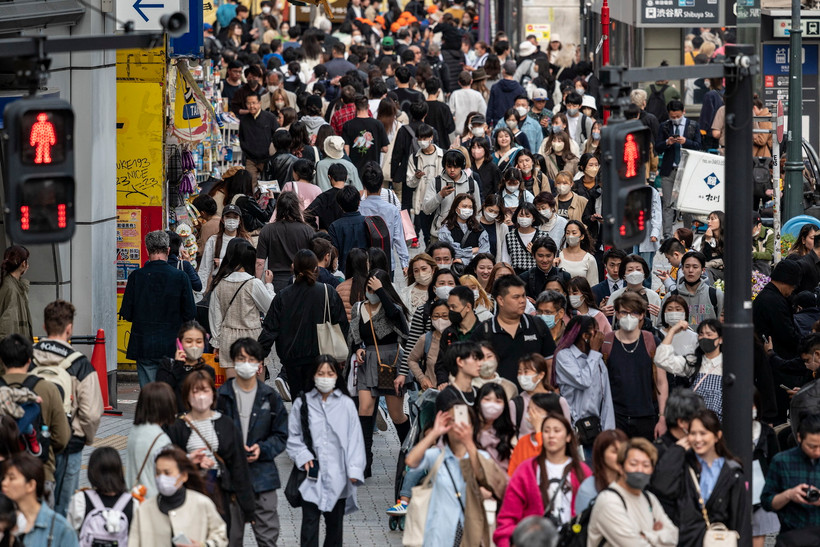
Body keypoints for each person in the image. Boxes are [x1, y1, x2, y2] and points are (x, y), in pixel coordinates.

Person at [405, 396, 508, 547]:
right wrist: (435, 432)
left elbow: (492, 482)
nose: (458, 426)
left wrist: (469, 442)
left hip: (472, 532)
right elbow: (411, 461)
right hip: (440, 533)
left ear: (473, 426)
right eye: (452, 420)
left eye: (464, 421)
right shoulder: (438, 456)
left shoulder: (481, 457)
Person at [33, 300, 103, 516]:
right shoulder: (80, 364)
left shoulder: (27, 358)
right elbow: (91, 412)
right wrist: (84, 437)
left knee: (34, 506)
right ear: (70, 328)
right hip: (69, 443)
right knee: (64, 508)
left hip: (32, 442)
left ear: (44, 327)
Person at [287, 356, 365, 547]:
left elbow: (355, 439)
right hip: (311, 476)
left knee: (335, 529)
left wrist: (355, 470)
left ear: (336, 376)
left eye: (330, 373)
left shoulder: (346, 404)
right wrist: (303, 457)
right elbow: (293, 436)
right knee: (309, 528)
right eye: (320, 373)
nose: (325, 378)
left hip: (338, 475)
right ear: (313, 376)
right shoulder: (302, 403)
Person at [217, 338, 287, 546]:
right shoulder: (222, 397)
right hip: (229, 479)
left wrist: (262, 449)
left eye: (251, 359)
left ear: (260, 365)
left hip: (263, 477)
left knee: (267, 539)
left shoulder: (270, 398)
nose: (246, 363)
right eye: (241, 359)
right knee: (230, 538)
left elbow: (281, 434)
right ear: (233, 362)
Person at [166, 370, 255, 532]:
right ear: (187, 396)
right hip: (188, 493)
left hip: (219, 492)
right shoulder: (177, 427)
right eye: (195, 391)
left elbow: (238, 466)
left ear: (213, 394)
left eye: (205, 390)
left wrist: (248, 507)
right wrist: (188, 460)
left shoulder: (225, 424)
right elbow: (166, 463)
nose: (201, 396)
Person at [259, 249, 348, 397]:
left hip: (292, 359)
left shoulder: (283, 296)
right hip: (321, 356)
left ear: (293, 268)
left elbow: (270, 328)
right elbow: (342, 324)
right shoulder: (327, 291)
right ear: (315, 268)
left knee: (299, 402)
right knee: (321, 401)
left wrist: (259, 356)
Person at [494, 412, 591, 547]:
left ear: (568, 436)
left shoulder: (582, 471)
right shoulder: (526, 470)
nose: (551, 435)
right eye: (546, 431)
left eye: (557, 431)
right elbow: (507, 517)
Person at [652, 409, 747, 545]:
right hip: (686, 541)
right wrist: (676, 451)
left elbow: (741, 520)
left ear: (717, 436)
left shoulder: (733, 472)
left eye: (703, 433)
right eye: (693, 433)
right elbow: (662, 487)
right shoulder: (683, 465)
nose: (697, 439)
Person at [348, 268, 410, 476]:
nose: (370, 292)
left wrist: (382, 293)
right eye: (368, 288)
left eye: (374, 288)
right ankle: (364, 462)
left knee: (396, 415)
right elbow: (354, 336)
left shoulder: (392, 308)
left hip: (391, 361)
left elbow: (402, 326)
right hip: (368, 360)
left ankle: (409, 454)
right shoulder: (359, 308)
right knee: (364, 409)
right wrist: (357, 348)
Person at [119, 230, 196, 387]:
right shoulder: (180, 277)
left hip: (143, 342)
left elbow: (126, 313)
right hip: (172, 343)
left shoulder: (136, 277)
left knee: (149, 393)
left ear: (147, 250)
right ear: (168, 250)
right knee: (170, 391)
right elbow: (190, 313)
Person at [0, 334, 70, 503]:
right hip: (39, 473)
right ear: (29, 361)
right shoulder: (47, 389)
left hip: (2, 475)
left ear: (2, 361)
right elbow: (62, 438)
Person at [587, 438, 679, 546]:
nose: (640, 470)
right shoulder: (609, 501)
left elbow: (673, 536)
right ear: (621, 467)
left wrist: (646, 536)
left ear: (652, 470)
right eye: (633, 464)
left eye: (646, 465)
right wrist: (657, 536)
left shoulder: (649, 498)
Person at [128, 446, 227, 546]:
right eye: (158, 473)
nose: (161, 478)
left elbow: (221, 536)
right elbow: (133, 542)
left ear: (183, 476)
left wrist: (203, 545)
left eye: (167, 473)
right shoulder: (144, 509)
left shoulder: (201, 503)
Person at [209, 238, 274, 376]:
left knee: (233, 391)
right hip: (253, 340)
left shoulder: (219, 283)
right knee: (256, 391)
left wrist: (217, 342)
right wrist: (269, 285)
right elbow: (270, 307)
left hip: (228, 340)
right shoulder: (254, 284)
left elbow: (215, 317)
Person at [761, 413, 820, 541]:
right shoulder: (782, 461)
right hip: (791, 537)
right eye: (812, 446)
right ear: (799, 438)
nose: (817, 452)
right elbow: (767, 501)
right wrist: (789, 495)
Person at [1, 453, 78, 546]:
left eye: (11, 478)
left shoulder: (61, 529)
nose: (4, 483)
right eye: (4, 478)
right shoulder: (4, 521)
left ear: (30, 485)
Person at [656, 100, 702, 238]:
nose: (675, 119)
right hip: (669, 169)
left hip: (687, 170)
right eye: (673, 117)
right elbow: (657, 147)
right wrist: (667, 142)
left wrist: (685, 142)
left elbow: (699, 146)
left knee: (686, 205)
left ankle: (687, 234)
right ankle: (667, 235)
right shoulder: (664, 126)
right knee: (667, 204)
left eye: (678, 116)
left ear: (684, 112)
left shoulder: (693, 125)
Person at [66, 447, 134, 541]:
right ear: (119, 471)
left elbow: (68, 534)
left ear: (92, 472)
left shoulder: (81, 500)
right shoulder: (133, 503)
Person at [125, 382, 175, 501]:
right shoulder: (160, 439)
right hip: (153, 500)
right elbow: (169, 474)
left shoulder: (135, 430)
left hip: (134, 496)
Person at [256, 191, 315, 292]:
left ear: (278, 208)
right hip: (300, 281)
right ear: (297, 207)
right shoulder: (307, 230)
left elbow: (260, 262)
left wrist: (257, 283)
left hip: (274, 281)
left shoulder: (267, 230)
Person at [358, 162, 409, 275]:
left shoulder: (359, 208)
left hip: (363, 262)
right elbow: (398, 238)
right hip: (386, 260)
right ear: (381, 184)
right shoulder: (392, 210)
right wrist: (404, 263)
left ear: (364, 185)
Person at [422, 149, 482, 241]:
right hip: (439, 234)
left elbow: (477, 211)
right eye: (449, 166)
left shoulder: (472, 184)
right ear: (444, 166)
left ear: (462, 166)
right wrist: (440, 195)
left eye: (456, 167)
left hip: (465, 234)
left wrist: (475, 231)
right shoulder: (436, 182)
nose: (452, 170)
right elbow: (426, 209)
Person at [510, 353, 571, 438]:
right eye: (519, 372)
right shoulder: (516, 404)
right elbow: (511, 436)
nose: (522, 376)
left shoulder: (559, 401)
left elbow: (567, 433)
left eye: (526, 371)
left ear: (541, 375)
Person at [198, 204, 252, 292]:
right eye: (228, 217)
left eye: (235, 217)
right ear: (222, 220)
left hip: (240, 286)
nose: (231, 220)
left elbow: (249, 265)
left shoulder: (246, 240)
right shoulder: (213, 240)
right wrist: (201, 291)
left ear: (239, 221)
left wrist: (222, 263)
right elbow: (205, 268)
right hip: (218, 285)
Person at [574, 429, 628, 514]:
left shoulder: (633, 482)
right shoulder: (588, 489)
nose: (620, 456)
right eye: (615, 452)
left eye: (623, 451)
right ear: (601, 454)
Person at [666, 250, 723, 325]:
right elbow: (662, 327)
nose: (690, 270)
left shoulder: (716, 295)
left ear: (703, 270)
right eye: (687, 266)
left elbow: (723, 325)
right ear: (682, 269)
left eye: (695, 267)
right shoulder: (671, 296)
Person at [407, 298, 450, 391]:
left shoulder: (461, 339)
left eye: (445, 316)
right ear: (431, 317)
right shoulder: (426, 339)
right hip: (432, 392)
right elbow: (411, 360)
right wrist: (422, 378)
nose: (440, 320)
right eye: (436, 316)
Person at [342, 95, 390, 175]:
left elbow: (346, 151)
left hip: (355, 170)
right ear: (368, 106)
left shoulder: (348, 125)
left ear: (355, 107)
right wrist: (375, 147)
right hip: (373, 170)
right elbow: (385, 148)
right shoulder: (378, 124)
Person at [609, 253, 662, 325]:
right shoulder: (615, 296)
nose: (635, 272)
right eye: (630, 270)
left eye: (638, 269)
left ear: (644, 273)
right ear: (624, 275)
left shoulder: (653, 296)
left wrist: (661, 316)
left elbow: (659, 323)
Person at [437, 193, 490, 264]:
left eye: (470, 207)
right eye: (464, 206)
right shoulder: (446, 229)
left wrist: (463, 261)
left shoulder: (479, 229)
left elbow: (484, 254)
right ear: (456, 209)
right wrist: (473, 251)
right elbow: (451, 252)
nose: (467, 209)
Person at [239, 93, 279, 184]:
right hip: (250, 159)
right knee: (249, 184)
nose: (251, 106)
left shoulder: (270, 118)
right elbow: (242, 139)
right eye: (249, 103)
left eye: (254, 103)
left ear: (259, 103)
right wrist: (248, 151)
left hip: (267, 159)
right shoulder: (244, 120)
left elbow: (276, 136)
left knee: (267, 184)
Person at [328, 186, 369, 273]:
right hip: (365, 270)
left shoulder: (335, 226)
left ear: (340, 205)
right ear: (359, 202)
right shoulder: (368, 222)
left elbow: (334, 253)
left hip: (344, 272)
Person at [476, 383, 516, 471]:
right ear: (478, 402)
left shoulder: (507, 433)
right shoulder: (470, 430)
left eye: (498, 401)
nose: (492, 405)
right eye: (487, 399)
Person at [499, 203, 547, 274]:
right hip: (516, 277)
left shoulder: (543, 236)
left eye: (527, 216)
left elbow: (548, 259)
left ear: (533, 218)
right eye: (521, 215)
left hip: (538, 274)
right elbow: (505, 260)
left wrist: (535, 253)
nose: (524, 218)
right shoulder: (509, 237)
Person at [0, 245, 32, 343]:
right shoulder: (10, 287)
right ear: (23, 263)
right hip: (13, 350)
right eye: (27, 261)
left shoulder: (13, 284)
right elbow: (8, 324)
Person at [558, 220, 598, 286]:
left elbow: (593, 285)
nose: (570, 236)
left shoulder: (589, 259)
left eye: (574, 233)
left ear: (582, 236)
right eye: (567, 233)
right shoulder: (558, 255)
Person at [400, 253, 437, 318]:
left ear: (432, 269)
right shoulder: (405, 293)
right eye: (416, 271)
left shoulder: (440, 290)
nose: (420, 273)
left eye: (424, 269)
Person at [701, 210, 725, 280]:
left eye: (712, 219)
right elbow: (706, 258)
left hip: (724, 272)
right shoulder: (706, 237)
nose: (709, 221)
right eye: (708, 219)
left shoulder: (728, 237)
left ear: (721, 221)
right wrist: (708, 240)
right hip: (710, 269)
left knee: (707, 271)